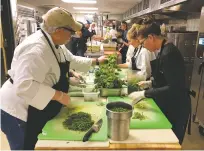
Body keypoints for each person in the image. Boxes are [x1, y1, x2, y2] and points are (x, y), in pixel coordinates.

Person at [0, 7, 107, 150]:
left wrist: (97, 61)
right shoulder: (36, 49)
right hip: (18, 110)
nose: (73, 35)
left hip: (34, 106)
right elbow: (24, 86)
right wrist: (59, 95)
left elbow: (72, 60)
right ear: (58, 30)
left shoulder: (55, 44)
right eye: (71, 31)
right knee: (25, 146)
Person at [128, 20, 191, 144]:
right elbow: (168, 78)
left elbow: (174, 88)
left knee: (171, 143)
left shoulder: (169, 53)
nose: (143, 46)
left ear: (151, 37)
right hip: (169, 103)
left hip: (176, 108)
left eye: (142, 42)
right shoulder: (163, 49)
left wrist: (144, 94)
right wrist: (150, 84)